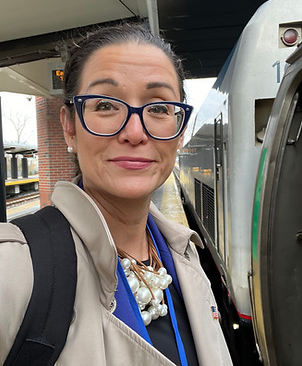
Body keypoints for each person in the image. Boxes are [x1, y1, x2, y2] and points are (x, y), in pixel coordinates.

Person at [0, 22, 233, 366]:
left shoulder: (185, 254)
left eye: (158, 108)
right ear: (69, 126)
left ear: (179, 131)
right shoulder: (15, 268)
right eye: (106, 106)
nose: (135, 132)